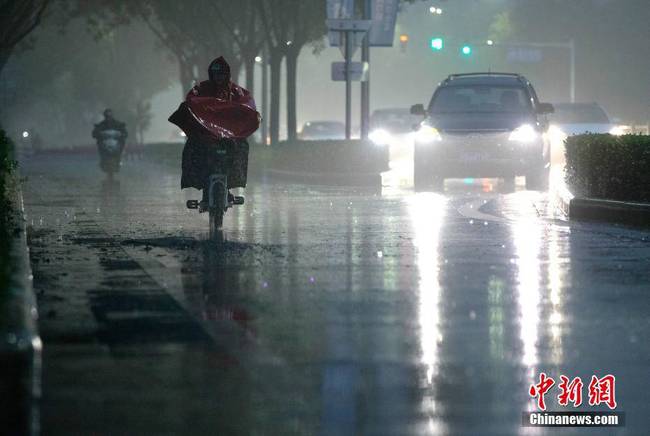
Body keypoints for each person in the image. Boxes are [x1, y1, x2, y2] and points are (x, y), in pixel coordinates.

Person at [169, 56, 260, 211]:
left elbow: (248, 104)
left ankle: (231, 184)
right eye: (216, 74)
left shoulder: (236, 91)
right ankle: (199, 182)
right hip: (206, 137)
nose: (219, 78)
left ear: (227, 74)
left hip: (229, 137)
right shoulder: (201, 89)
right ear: (211, 74)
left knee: (242, 147)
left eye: (222, 74)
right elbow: (191, 101)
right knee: (192, 148)